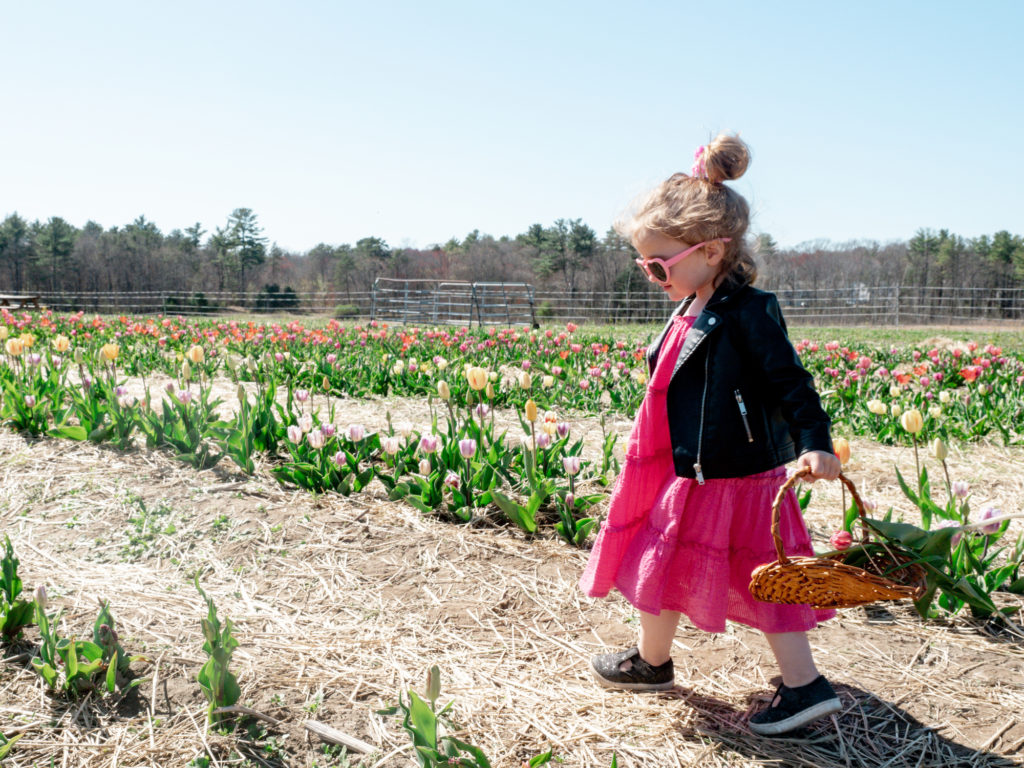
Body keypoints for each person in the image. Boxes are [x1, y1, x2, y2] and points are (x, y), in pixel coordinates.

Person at [579, 134, 843, 736]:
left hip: (737, 472)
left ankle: (804, 687)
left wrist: (815, 443)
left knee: (765, 572)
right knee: (661, 559)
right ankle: (651, 663)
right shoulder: (688, 305)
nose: (652, 276)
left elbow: (792, 383)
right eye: (644, 264)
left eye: (660, 264)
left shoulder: (748, 312)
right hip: (685, 468)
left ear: (714, 249)